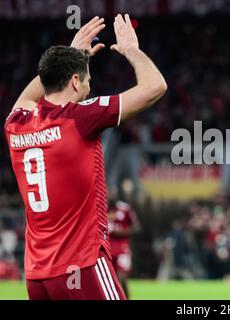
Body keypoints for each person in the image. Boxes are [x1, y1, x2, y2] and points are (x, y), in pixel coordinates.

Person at [4, 15, 167, 300]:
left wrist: (70, 55)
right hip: (82, 266)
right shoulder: (80, 117)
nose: (89, 85)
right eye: (88, 78)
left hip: (37, 275)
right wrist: (131, 50)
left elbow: (25, 99)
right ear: (76, 81)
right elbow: (155, 87)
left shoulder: (16, 124)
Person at [107, 198, 141, 299]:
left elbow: (137, 227)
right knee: (108, 278)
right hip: (106, 249)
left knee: (121, 277)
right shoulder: (98, 207)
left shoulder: (124, 208)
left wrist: (122, 232)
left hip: (122, 249)